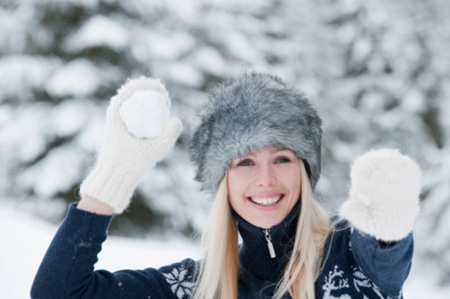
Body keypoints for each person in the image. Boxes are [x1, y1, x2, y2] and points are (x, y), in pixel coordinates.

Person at [31, 72, 421, 299]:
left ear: (304, 171)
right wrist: (112, 178)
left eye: (282, 159)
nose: (265, 179)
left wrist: (387, 230)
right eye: (245, 162)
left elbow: (385, 260)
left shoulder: (350, 252)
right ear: (224, 181)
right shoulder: (197, 287)